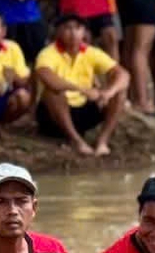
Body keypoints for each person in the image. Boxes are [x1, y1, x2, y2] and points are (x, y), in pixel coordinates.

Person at [33, 16, 128, 157]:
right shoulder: (47, 53)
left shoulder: (91, 52)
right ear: (58, 31)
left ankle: (103, 141)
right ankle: (76, 141)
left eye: (77, 28)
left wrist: (108, 92)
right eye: (68, 28)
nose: (73, 33)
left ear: (84, 32)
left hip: (84, 108)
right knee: (53, 93)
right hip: (53, 115)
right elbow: (47, 77)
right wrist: (82, 89)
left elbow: (123, 74)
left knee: (119, 93)